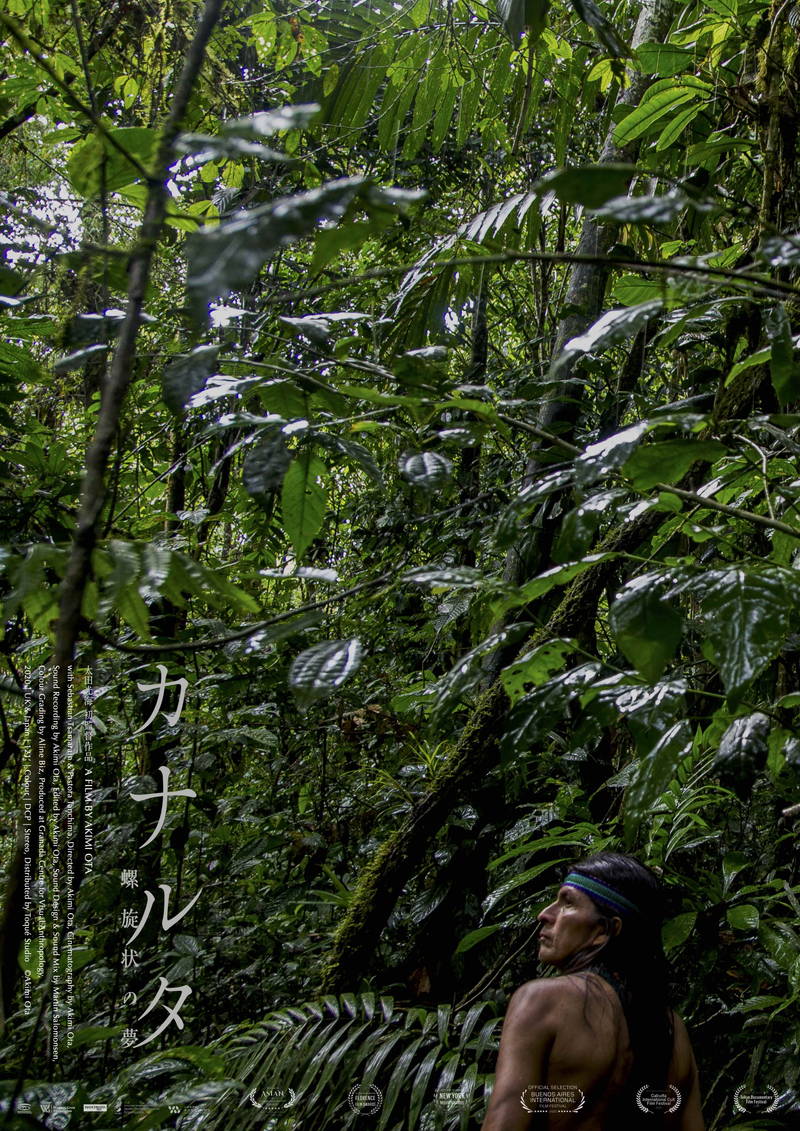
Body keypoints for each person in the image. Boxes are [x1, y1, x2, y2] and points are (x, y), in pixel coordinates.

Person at [480, 852, 704, 1130]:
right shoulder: (672, 1029)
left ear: (603, 931)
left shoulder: (541, 1001)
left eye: (567, 903)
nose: (545, 914)